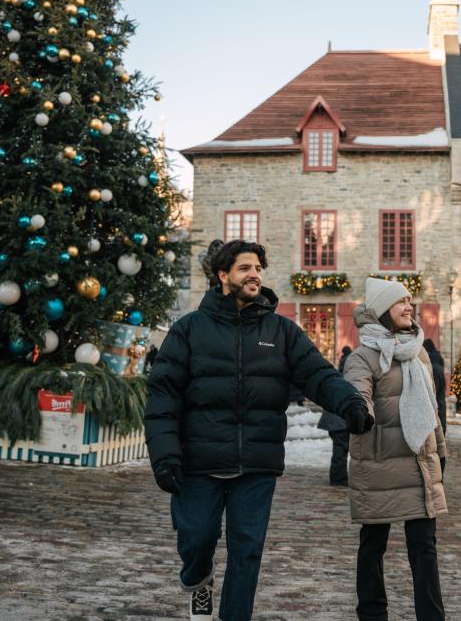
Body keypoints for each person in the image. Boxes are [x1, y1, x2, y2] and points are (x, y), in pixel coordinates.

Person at [144, 240, 374, 621]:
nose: (255, 275)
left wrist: (349, 402)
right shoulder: (188, 330)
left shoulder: (281, 331)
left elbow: (317, 373)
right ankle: (199, 581)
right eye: (245, 268)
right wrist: (165, 455)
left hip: (257, 461)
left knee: (247, 550)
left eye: (258, 269)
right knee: (197, 539)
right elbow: (163, 396)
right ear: (223, 276)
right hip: (199, 459)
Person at [344, 278, 447, 621]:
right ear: (381, 310)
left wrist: (441, 451)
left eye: (409, 300)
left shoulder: (417, 350)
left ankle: (431, 616)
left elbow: (432, 409)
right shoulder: (362, 357)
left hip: (419, 461)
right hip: (379, 464)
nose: (409, 307)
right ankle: (372, 615)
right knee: (373, 546)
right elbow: (358, 393)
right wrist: (360, 412)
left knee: (424, 548)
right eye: (400, 301)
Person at [317, 345, 354, 486]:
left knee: (339, 448)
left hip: (334, 420)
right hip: (339, 420)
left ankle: (338, 476)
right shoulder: (349, 379)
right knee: (341, 449)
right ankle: (338, 478)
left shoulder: (336, 376)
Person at [422, 338, 447, 433]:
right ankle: (442, 431)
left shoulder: (432, 363)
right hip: (441, 400)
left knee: (436, 404)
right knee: (441, 406)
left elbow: (432, 393)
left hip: (436, 379)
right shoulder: (438, 357)